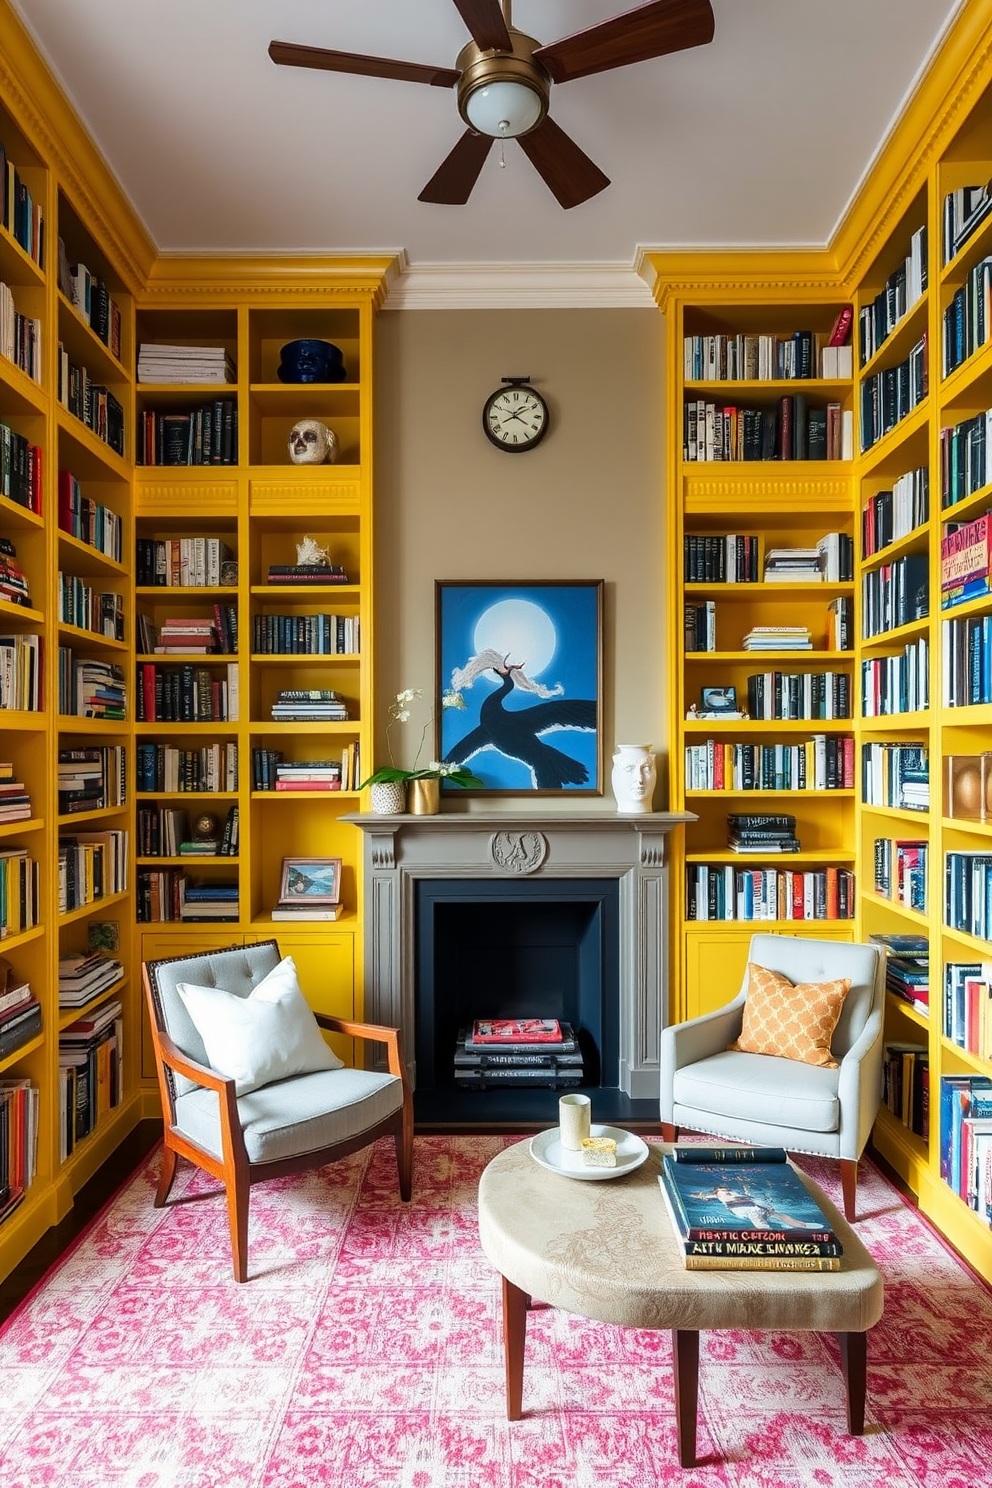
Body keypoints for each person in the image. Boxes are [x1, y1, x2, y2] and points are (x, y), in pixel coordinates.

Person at [691, 1181, 810, 1231]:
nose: (726, 1191)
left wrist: (699, 1196)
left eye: (726, 1189)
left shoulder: (726, 1194)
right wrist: (700, 1196)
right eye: (723, 1190)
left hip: (753, 1208)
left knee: (773, 1218)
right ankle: (798, 1225)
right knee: (772, 1217)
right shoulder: (723, 1194)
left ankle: (798, 1225)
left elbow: (749, 1197)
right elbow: (700, 1196)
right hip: (752, 1209)